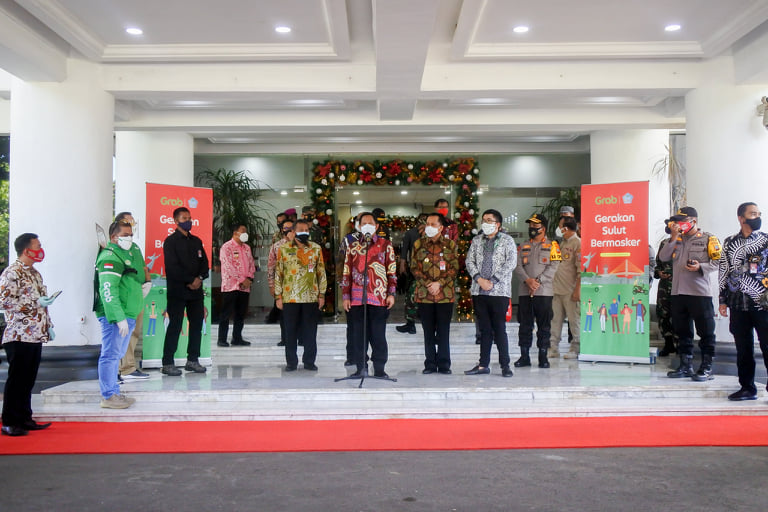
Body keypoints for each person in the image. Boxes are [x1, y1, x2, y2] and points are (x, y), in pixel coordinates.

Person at [0, 233, 56, 436]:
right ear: (26, 250)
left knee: (28, 380)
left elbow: (42, 303)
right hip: (19, 334)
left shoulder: (34, 273)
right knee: (17, 380)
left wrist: (48, 325)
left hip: (35, 334)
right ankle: (9, 421)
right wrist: (34, 303)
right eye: (37, 246)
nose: (41, 250)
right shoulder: (12, 273)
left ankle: (24, 418)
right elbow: (4, 302)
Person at [659, 206, 721, 381]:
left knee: (706, 331)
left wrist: (701, 267)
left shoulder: (708, 239)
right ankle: (685, 365)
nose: (679, 224)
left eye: (682, 221)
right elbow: (663, 257)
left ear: (693, 221)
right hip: (678, 292)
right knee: (682, 331)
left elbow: (719, 262)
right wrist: (673, 237)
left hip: (699, 293)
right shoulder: (675, 239)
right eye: (677, 222)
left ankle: (707, 367)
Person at [718, 202, 768, 401]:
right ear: (741, 218)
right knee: (743, 348)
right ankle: (747, 388)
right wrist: (722, 300)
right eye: (753, 214)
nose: (757, 217)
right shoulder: (730, 242)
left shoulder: (766, 241)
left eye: (758, 213)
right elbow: (724, 271)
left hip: (763, 304)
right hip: (738, 303)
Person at [94, 221, 144, 408]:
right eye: (125, 235)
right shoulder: (110, 257)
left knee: (116, 355)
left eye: (130, 234)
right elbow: (108, 289)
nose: (129, 238)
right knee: (110, 355)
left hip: (128, 313)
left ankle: (114, 392)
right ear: (114, 237)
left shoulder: (126, 253)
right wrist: (118, 317)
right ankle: (108, 396)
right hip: (115, 316)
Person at [341, 211, 397, 378]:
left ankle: (379, 368)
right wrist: (346, 296)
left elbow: (391, 271)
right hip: (357, 300)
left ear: (376, 226)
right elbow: (346, 272)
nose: (366, 226)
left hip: (379, 298)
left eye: (370, 223)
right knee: (358, 336)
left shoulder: (385, 245)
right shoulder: (352, 246)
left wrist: (391, 293)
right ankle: (360, 367)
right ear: (358, 226)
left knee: (378, 336)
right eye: (363, 223)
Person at [464, 209, 518, 377]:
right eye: (483, 220)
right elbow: (469, 261)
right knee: (484, 330)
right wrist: (479, 279)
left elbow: (511, 263)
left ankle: (505, 365)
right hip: (479, 291)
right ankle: (483, 365)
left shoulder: (507, 241)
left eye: (489, 220)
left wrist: (492, 281)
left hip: (499, 292)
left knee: (499, 329)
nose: (485, 223)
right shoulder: (476, 240)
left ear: (498, 224)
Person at [161, 207, 210, 376]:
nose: (188, 221)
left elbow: (204, 264)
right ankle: (168, 363)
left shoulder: (196, 241)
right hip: (178, 291)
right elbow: (172, 268)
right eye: (184, 218)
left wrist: (199, 278)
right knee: (175, 325)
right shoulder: (170, 242)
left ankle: (193, 360)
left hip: (196, 292)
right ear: (176, 221)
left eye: (189, 218)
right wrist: (190, 280)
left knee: (196, 325)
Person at [274, 219, 327, 371]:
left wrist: (322, 294)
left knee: (310, 331)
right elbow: (279, 273)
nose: (304, 232)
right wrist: (278, 296)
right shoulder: (284, 249)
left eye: (307, 230)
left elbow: (321, 272)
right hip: (290, 297)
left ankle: (309, 361)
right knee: (290, 332)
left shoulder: (316, 248)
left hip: (311, 297)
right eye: (301, 230)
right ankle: (291, 362)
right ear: (293, 231)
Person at [410, 213, 459, 374]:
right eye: (427, 224)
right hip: (425, 295)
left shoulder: (450, 244)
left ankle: (444, 364)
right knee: (428, 332)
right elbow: (414, 267)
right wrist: (428, 284)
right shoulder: (419, 244)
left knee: (444, 331)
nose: (429, 227)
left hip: (445, 295)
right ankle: (430, 363)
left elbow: (454, 268)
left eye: (432, 224)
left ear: (441, 227)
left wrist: (440, 283)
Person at [513, 213, 561, 369]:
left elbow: (554, 266)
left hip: (544, 292)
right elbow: (517, 265)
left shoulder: (553, 245)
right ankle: (524, 356)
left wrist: (538, 281)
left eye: (535, 225)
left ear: (543, 228)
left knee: (544, 326)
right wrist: (528, 280)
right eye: (530, 225)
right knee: (524, 325)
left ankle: (543, 356)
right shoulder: (522, 246)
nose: (532, 228)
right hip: (525, 291)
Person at [114, 212, 152, 381]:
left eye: (132, 225)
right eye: (127, 224)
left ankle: (129, 366)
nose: (130, 230)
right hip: (124, 297)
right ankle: (123, 368)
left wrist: (148, 282)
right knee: (123, 332)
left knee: (135, 331)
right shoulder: (113, 250)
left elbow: (143, 267)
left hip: (138, 294)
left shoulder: (135, 247)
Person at [218, 223, 255, 347]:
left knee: (240, 313)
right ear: (235, 233)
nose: (245, 234)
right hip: (230, 286)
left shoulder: (247, 248)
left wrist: (249, 278)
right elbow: (228, 266)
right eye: (243, 231)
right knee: (226, 313)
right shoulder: (226, 247)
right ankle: (222, 339)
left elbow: (251, 264)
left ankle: (237, 338)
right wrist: (241, 280)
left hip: (245, 287)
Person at [549, 217, 581, 359]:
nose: (558, 228)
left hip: (570, 290)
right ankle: (553, 348)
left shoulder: (578, 243)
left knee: (574, 321)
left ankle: (575, 348)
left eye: (560, 226)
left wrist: (577, 290)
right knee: (555, 321)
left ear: (566, 228)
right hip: (556, 289)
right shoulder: (562, 243)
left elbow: (581, 270)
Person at [396, 213, 427, 335]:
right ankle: (410, 324)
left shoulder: (433, 234)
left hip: (430, 273)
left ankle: (422, 323)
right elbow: (404, 251)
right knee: (411, 296)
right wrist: (402, 265)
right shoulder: (411, 233)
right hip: (414, 270)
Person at [338, 214, 363, 365]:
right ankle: (352, 356)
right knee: (353, 326)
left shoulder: (379, 241)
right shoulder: (348, 240)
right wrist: (343, 285)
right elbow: (341, 262)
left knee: (371, 327)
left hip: (373, 292)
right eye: (361, 221)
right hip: (353, 290)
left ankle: (366, 357)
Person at [268, 219, 294, 346]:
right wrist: (271, 285)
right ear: (282, 230)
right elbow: (271, 267)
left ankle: (299, 338)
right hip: (282, 286)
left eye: (291, 228)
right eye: (286, 228)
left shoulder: (302, 245)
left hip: (299, 286)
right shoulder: (276, 246)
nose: (289, 230)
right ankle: (285, 338)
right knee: (284, 313)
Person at [655, 222, 677, 356]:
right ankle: (668, 344)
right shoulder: (664, 243)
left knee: (679, 315)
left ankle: (680, 345)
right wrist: (659, 273)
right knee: (663, 314)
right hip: (664, 286)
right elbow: (658, 263)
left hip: (679, 286)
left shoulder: (684, 243)